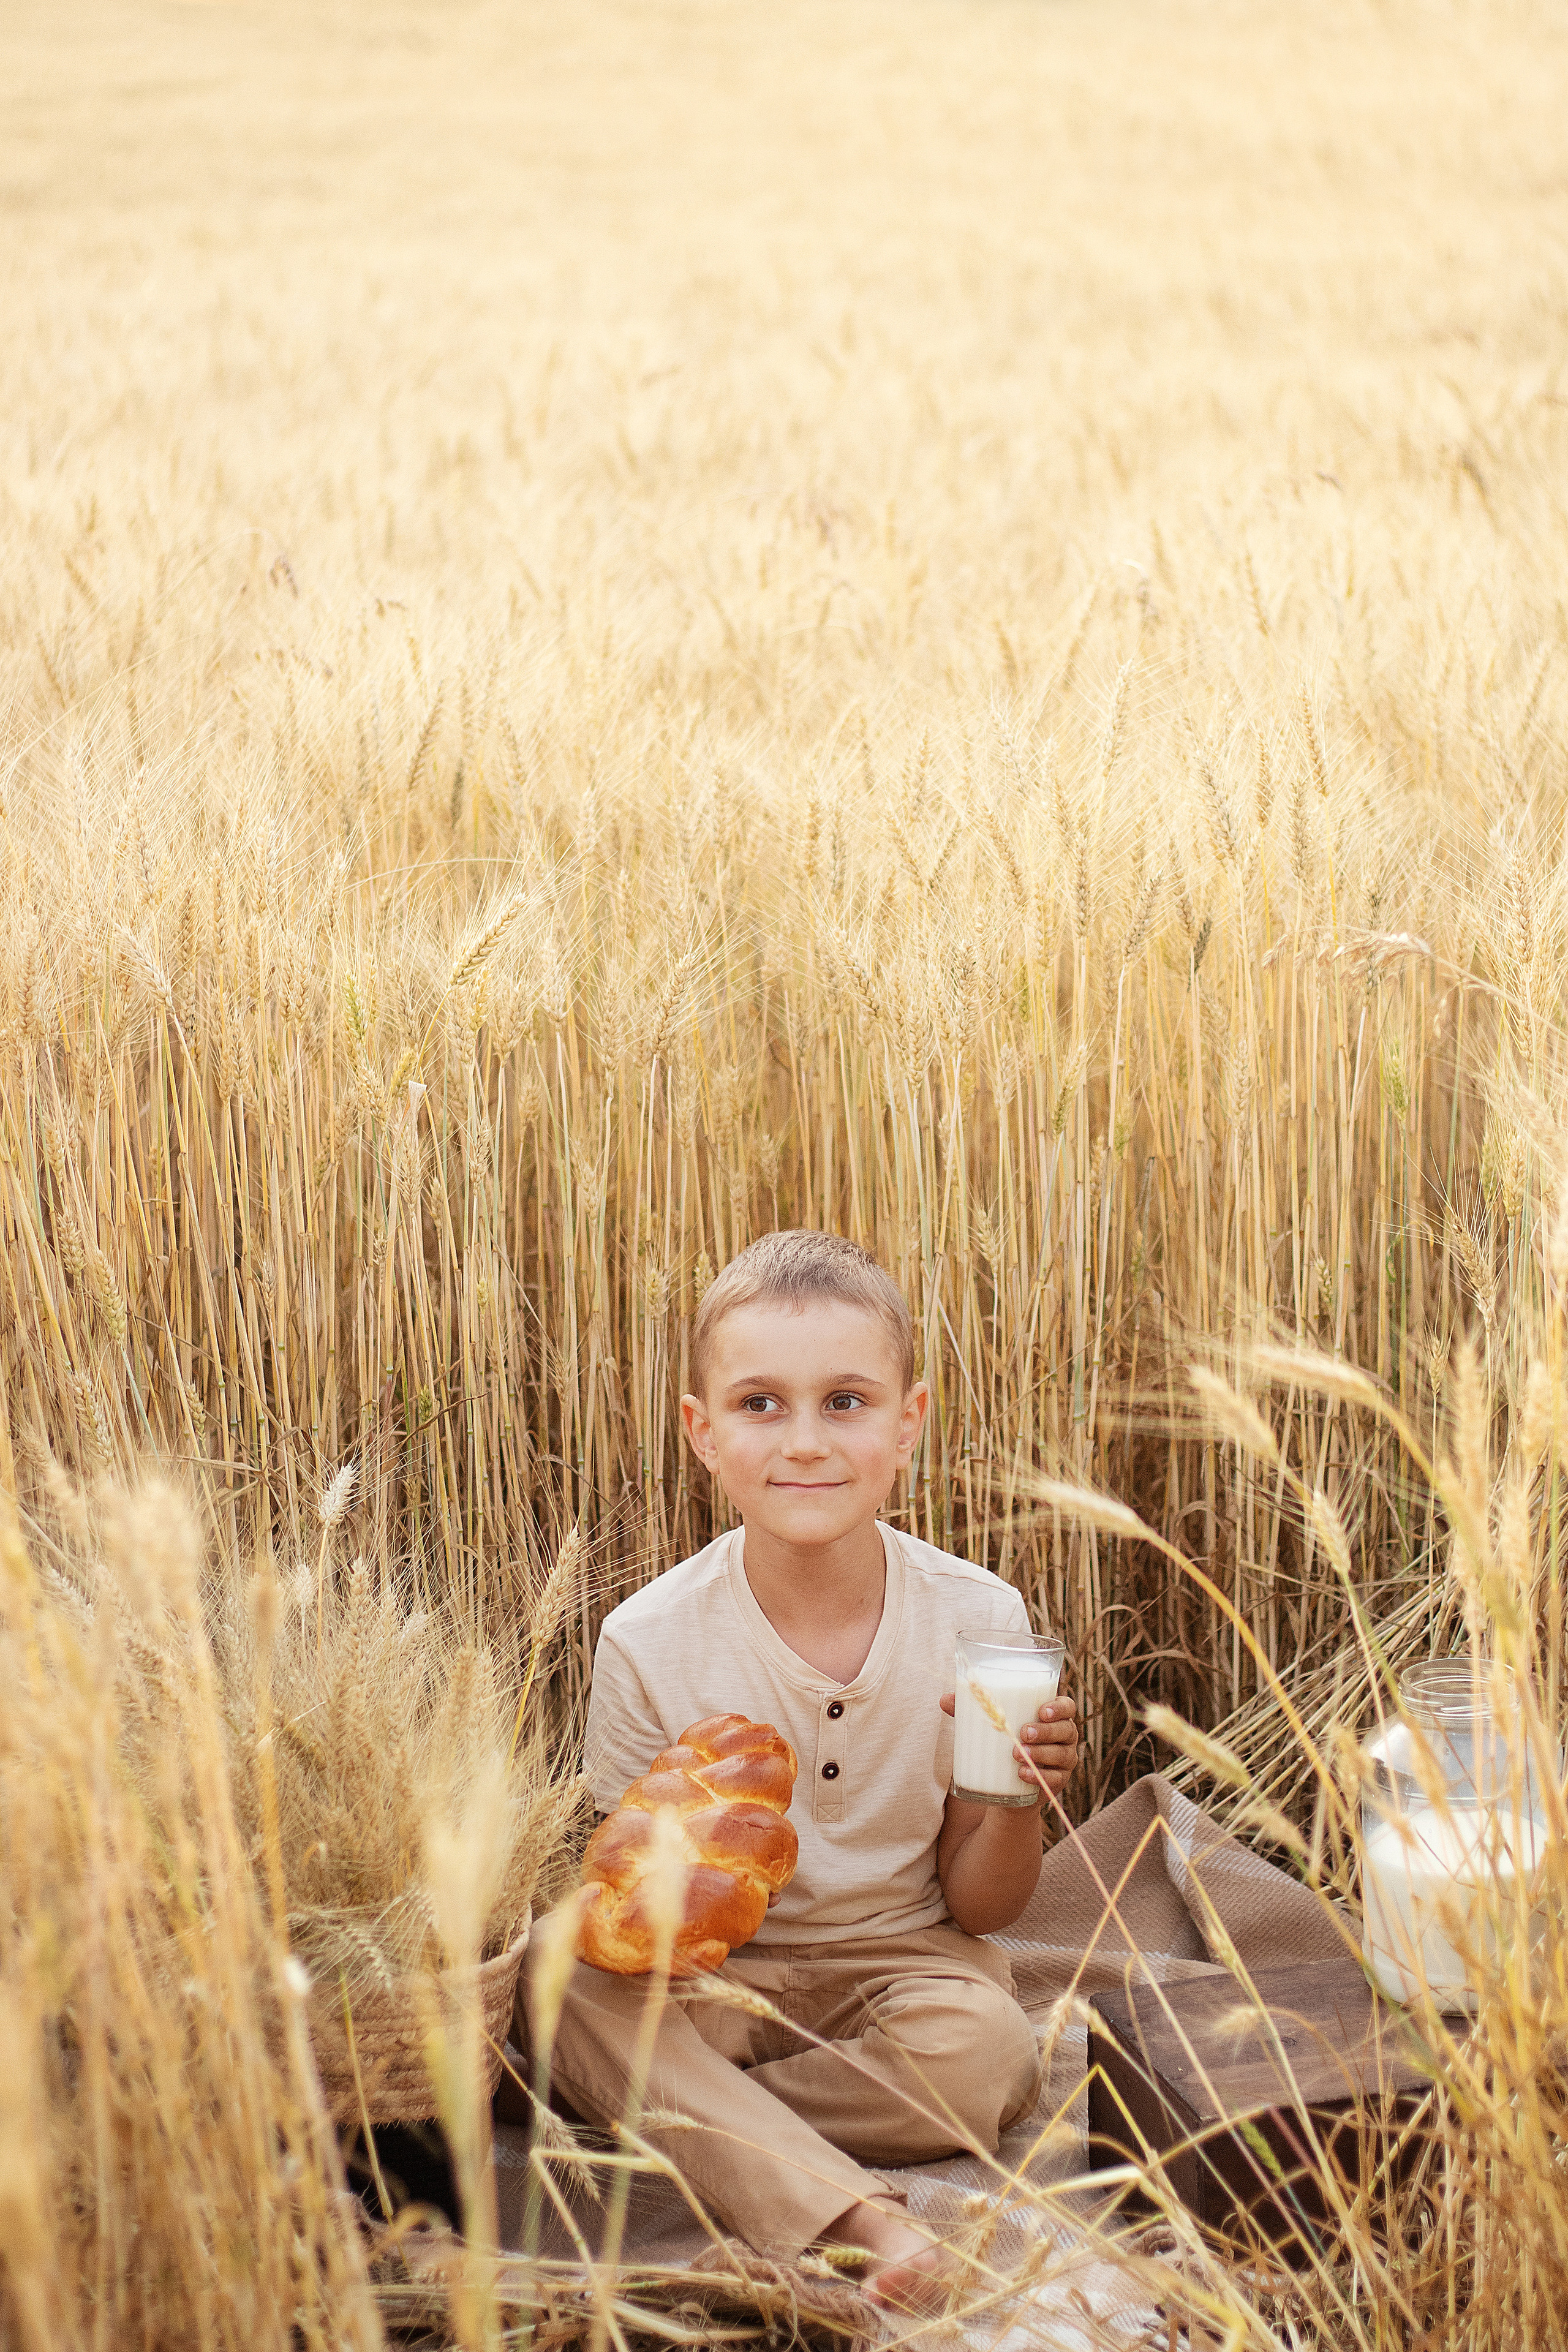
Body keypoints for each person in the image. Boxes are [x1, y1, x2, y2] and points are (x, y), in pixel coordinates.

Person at [518, 1230, 1079, 2308]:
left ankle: (678, 2117)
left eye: (848, 1403)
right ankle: (853, 2211)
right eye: (761, 1404)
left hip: (909, 1964)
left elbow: (984, 1904)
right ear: (705, 1433)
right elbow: (629, 1902)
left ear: (907, 1423)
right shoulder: (650, 1638)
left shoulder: (979, 1619)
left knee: (990, 2057)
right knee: (554, 1974)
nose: (806, 1442)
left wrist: (1019, 1798)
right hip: (713, 1978)